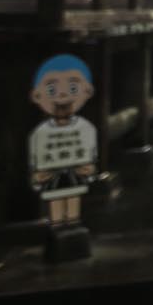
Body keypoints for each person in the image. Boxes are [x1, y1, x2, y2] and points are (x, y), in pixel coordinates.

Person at [28, 54, 98, 229]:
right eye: (52, 90)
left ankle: (72, 227)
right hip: (52, 175)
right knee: (56, 202)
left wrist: (90, 169)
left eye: (73, 88)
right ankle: (58, 228)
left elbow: (91, 153)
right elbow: (36, 156)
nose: (63, 94)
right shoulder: (41, 132)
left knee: (73, 199)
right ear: (37, 96)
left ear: (87, 91)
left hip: (75, 173)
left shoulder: (85, 128)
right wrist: (37, 175)